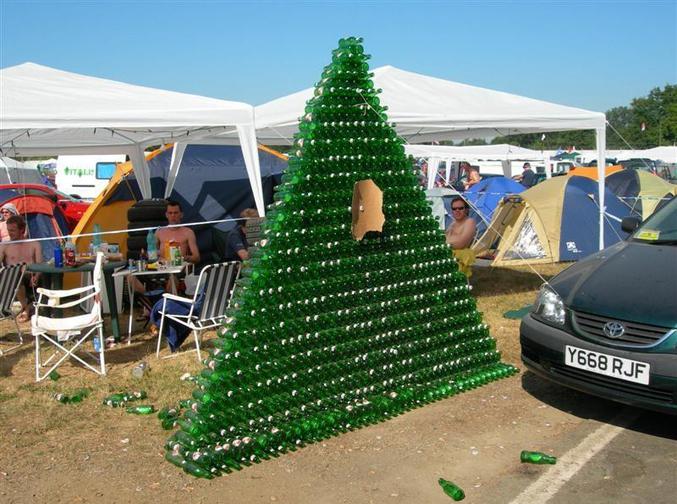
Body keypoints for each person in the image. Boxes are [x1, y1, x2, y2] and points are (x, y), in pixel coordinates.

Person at [0, 215, 42, 321]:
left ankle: (50, 310)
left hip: (32, 275)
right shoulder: (4, 246)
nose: (10, 233)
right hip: (14, 278)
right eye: (9, 230)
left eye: (13, 230)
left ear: (22, 229)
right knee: (15, 274)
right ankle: (26, 308)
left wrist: (37, 275)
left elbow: (40, 264)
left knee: (50, 274)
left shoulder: (34, 244)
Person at [156, 200, 200, 265]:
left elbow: (197, 257)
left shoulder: (188, 232)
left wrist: (183, 258)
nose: (173, 215)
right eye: (170, 213)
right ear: (166, 215)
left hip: (179, 268)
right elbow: (152, 254)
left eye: (175, 213)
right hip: (162, 268)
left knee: (172, 275)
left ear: (181, 215)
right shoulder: (159, 232)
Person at [445, 197, 477, 277]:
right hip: (448, 254)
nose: (457, 211)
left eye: (460, 208)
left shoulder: (469, 222)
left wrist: (445, 244)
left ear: (466, 210)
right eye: (454, 208)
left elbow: (461, 243)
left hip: (459, 257)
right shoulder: (453, 224)